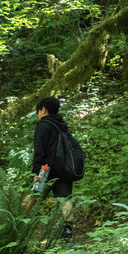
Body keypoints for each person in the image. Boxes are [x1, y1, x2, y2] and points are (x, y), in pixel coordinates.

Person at [27, 96, 76, 240]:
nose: (38, 114)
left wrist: (37, 172)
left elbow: (39, 151)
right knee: (65, 198)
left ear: (43, 110)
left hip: (45, 169)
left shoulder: (43, 125)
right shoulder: (62, 125)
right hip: (64, 168)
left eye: (39, 110)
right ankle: (68, 231)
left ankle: (17, 224)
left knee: (34, 195)